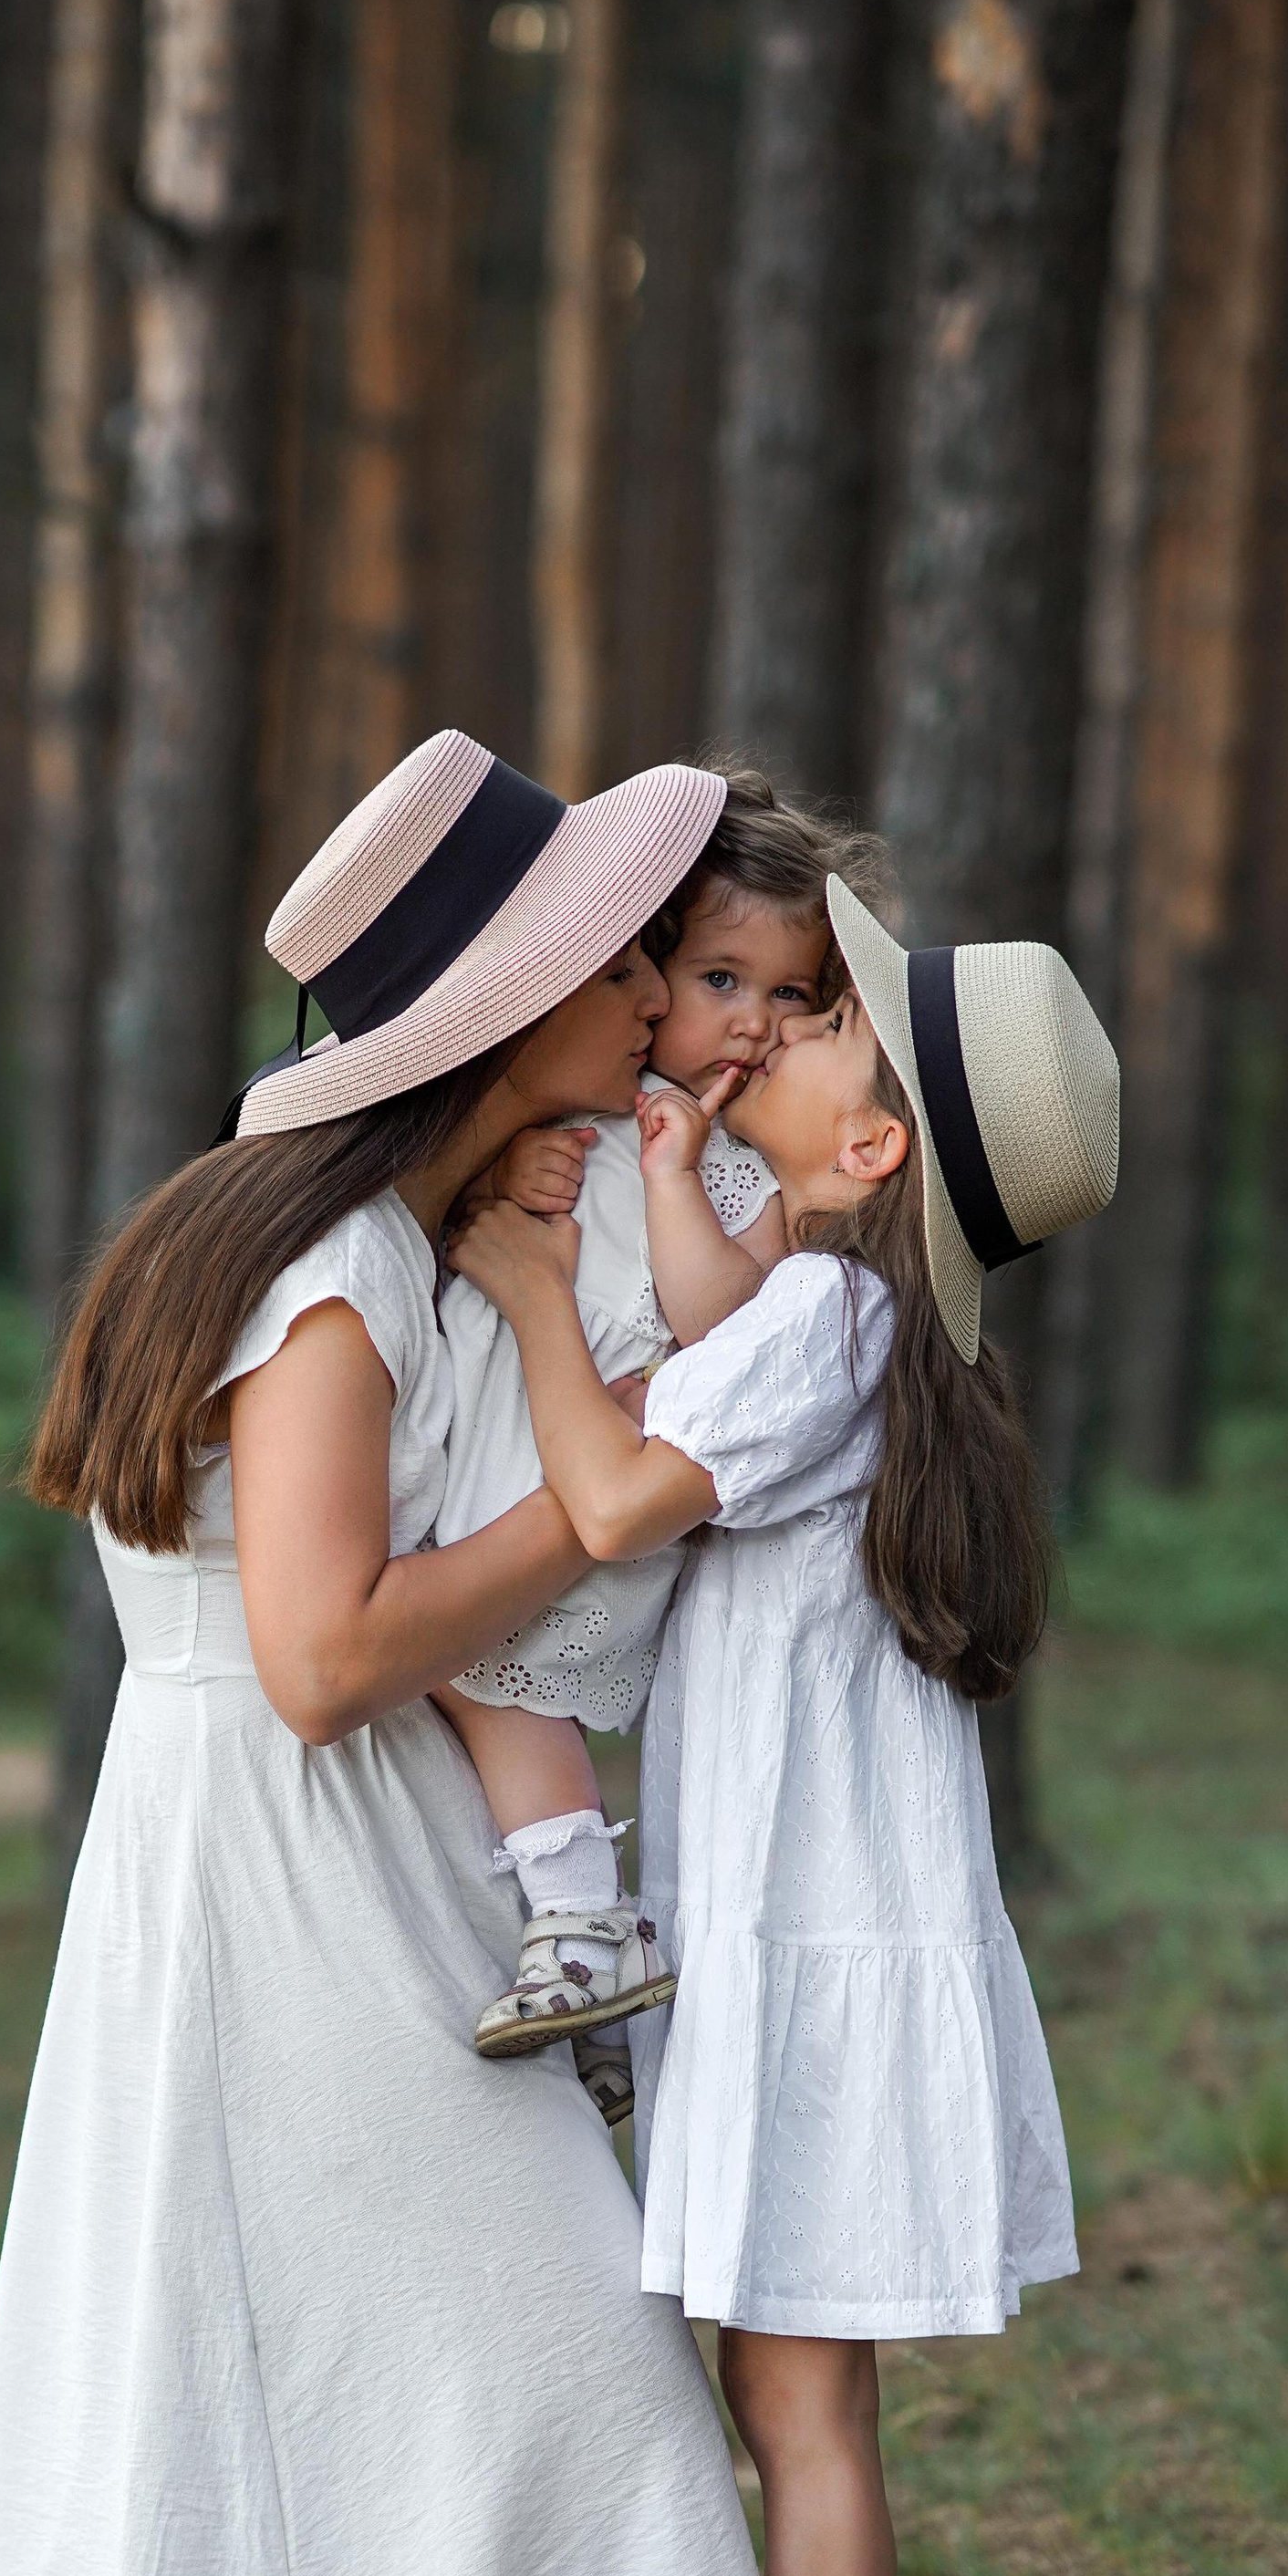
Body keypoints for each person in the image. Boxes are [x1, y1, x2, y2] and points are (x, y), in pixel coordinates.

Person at [0, 731, 781, 2576]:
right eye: (619, 959)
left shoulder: (335, 1233)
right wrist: (621, 1511)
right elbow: (319, 1647)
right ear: (514, 1007)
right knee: (557, 2394)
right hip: (288, 1867)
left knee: (398, 2431)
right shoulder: (327, 1281)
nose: (648, 994)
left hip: (283, 1867)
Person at [447, 876, 1119, 2576]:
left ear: (873, 1149)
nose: (774, 1030)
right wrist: (655, 1176)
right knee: (791, 2419)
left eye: (821, 1027)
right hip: (793, 1941)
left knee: (802, 2429)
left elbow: (628, 1490)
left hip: (809, 1961)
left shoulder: (828, 1336)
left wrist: (538, 1283)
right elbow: (719, 1336)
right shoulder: (837, 1320)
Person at [429, 772, 893, 2114]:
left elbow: (720, 1319)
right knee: (474, 1691)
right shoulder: (583, 1102)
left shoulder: (744, 1169)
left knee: (493, 1685)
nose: (754, 1024)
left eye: (793, 997)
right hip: (524, 1472)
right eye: (721, 978)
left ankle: (586, 1918)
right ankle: (589, 1980)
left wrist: (681, 1172)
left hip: (598, 1487)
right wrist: (517, 1173)